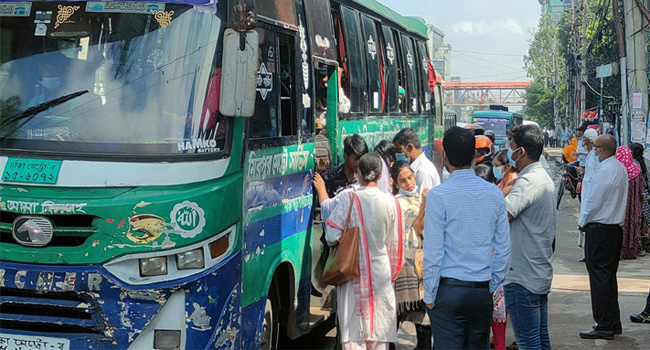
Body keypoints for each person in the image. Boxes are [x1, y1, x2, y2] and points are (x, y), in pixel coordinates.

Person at [423, 126, 510, 350]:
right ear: (474, 155)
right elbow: (503, 248)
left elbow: (433, 252)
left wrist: (430, 295)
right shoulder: (494, 194)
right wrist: (492, 285)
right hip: (481, 291)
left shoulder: (437, 196)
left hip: (448, 291)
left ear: (445, 157)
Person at [325, 153, 404, 350]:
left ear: (359, 173)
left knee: (353, 338)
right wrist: (390, 273)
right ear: (379, 175)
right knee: (379, 338)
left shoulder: (349, 199)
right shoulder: (393, 203)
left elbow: (331, 235)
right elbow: (396, 247)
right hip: (382, 277)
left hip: (352, 277)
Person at [504, 124, 556, 350]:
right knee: (540, 342)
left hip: (522, 276)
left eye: (511, 147)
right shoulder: (541, 176)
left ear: (521, 152)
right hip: (536, 272)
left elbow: (503, 215)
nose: (509, 151)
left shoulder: (527, 181)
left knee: (529, 343)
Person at [578, 135, 628, 340]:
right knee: (608, 277)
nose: (593, 152)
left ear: (603, 150)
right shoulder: (618, 168)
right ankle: (612, 321)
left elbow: (593, 201)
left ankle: (603, 324)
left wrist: (581, 222)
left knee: (599, 277)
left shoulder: (606, 170)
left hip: (600, 229)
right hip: (613, 229)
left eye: (595, 148)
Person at [391, 161, 431, 349]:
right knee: (399, 317)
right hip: (405, 267)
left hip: (420, 265)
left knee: (422, 321)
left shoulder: (416, 197)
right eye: (403, 180)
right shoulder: (398, 202)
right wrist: (424, 204)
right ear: (396, 183)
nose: (409, 183)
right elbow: (417, 227)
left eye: (410, 177)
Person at [392, 128, 441, 196]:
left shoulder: (423, 171)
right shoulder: (414, 168)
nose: (398, 154)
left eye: (400, 150)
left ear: (409, 148)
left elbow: (422, 202)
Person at [615, 146, 644, 260]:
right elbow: (641, 191)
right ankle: (631, 249)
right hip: (632, 206)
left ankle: (618, 250)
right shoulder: (635, 170)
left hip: (618, 206)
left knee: (619, 227)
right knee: (632, 225)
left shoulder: (617, 170)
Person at [322, 134, 368, 199]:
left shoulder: (365, 179)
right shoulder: (331, 176)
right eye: (355, 159)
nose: (358, 162)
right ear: (345, 156)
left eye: (361, 158)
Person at [577, 128, 599, 261]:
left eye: (585, 139)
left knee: (589, 221)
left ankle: (590, 253)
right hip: (587, 190)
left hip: (592, 192)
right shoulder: (591, 154)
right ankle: (587, 252)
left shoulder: (596, 156)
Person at [315, 66, 351, 131]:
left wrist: (338, 81)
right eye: (323, 83)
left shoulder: (344, 101)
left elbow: (342, 111)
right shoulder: (315, 104)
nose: (325, 86)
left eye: (328, 82)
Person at [631, 143, 650, 257]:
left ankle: (640, 247)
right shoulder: (646, 162)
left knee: (637, 221)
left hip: (637, 196)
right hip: (646, 195)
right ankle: (644, 246)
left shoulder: (633, 165)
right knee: (644, 221)